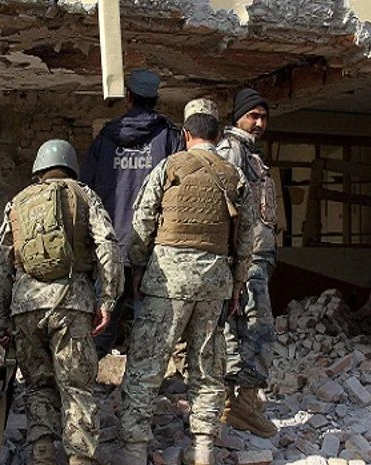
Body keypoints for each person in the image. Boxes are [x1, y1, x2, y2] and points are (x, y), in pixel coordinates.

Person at [116, 99, 253, 465]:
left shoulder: (167, 167)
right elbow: (245, 240)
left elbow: (142, 222)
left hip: (167, 282)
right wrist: (237, 285)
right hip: (214, 283)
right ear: (220, 135)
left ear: (185, 134)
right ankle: (203, 448)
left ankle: (133, 449)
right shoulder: (234, 176)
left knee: (146, 367)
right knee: (207, 369)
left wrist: (138, 271)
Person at [0, 139, 124, 465]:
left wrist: (0, 320)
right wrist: (108, 298)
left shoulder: (17, 203)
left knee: (38, 386)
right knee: (77, 388)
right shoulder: (83, 194)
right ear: (71, 167)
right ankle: (81, 460)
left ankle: (43, 455)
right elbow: (108, 245)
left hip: (25, 307)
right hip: (71, 304)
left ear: (38, 170)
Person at [80, 68, 184, 358]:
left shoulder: (105, 138)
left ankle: (90, 377)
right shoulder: (169, 138)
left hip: (109, 244)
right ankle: (144, 384)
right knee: (148, 319)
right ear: (156, 99)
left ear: (128, 98)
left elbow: (85, 190)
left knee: (103, 316)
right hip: (152, 247)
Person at [216, 88, 279, 438]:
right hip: (245, 260)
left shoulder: (251, 153)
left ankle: (239, 402)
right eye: (252, 115)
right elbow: (226, 206)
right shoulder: (233, 150)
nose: (258, 122)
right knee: (256, 328)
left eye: (263, 117)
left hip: (256, 258)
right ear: (238, 116)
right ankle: (240, 404)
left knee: (247, 328)